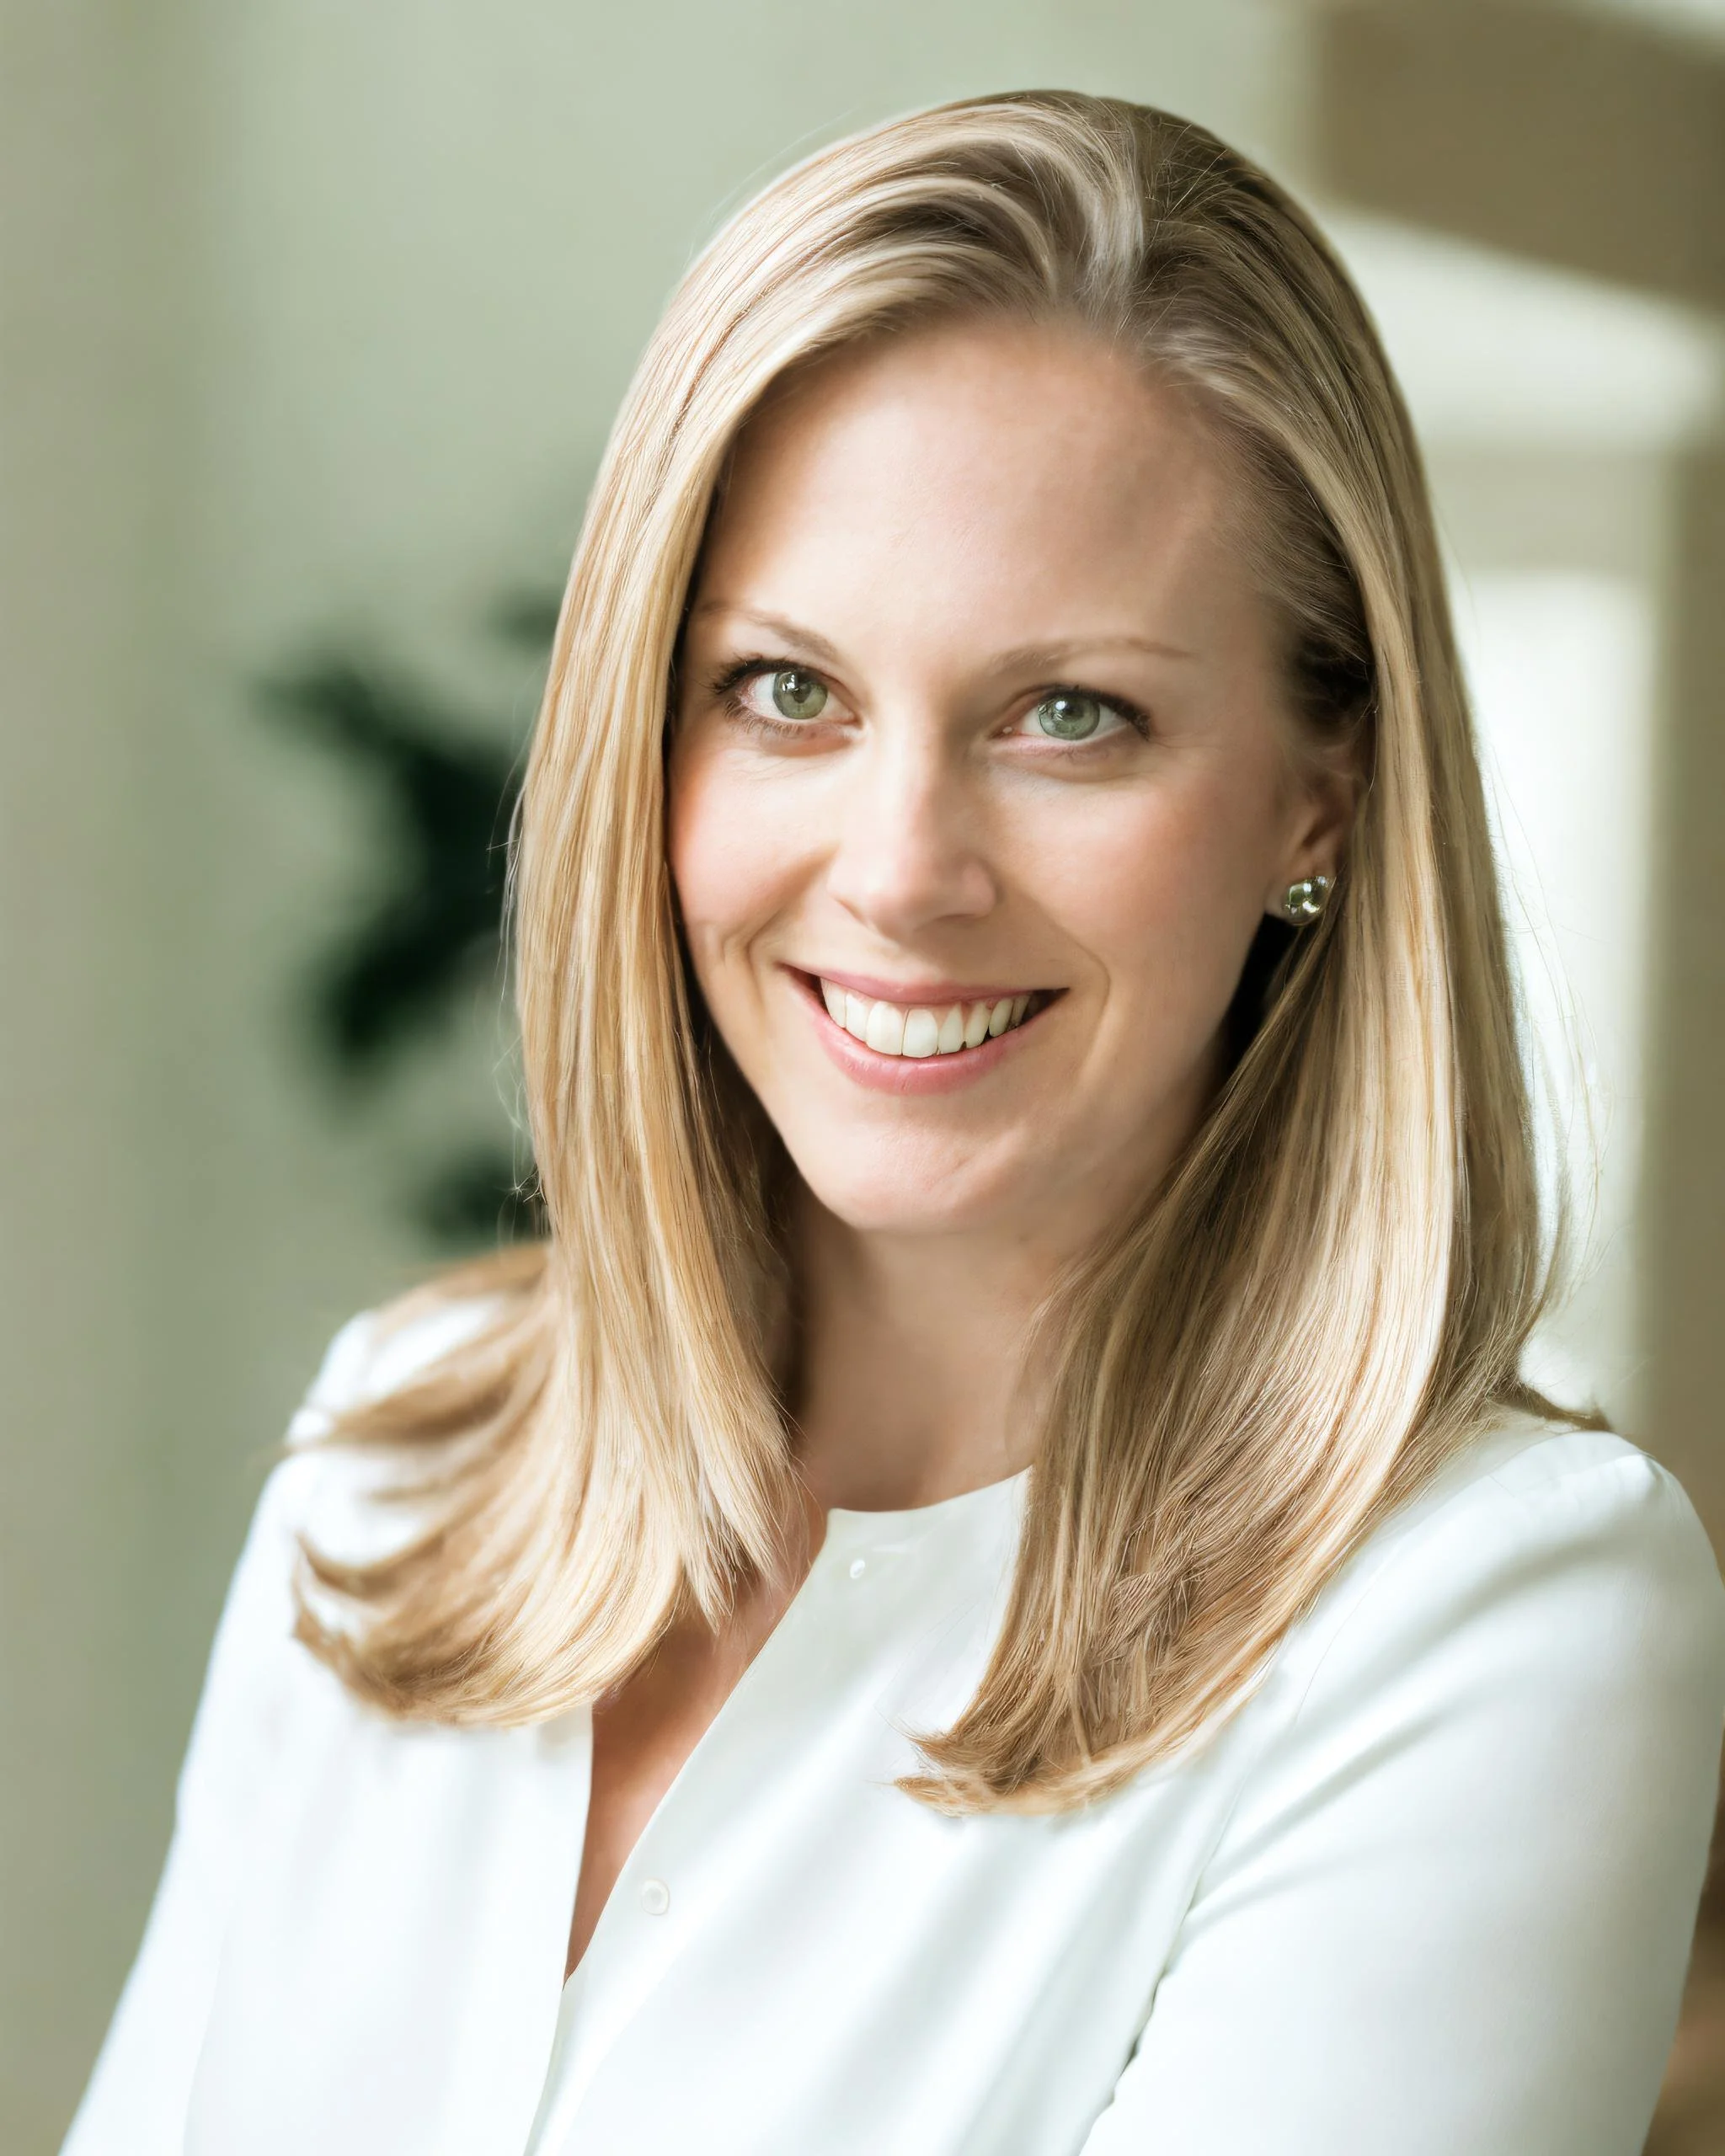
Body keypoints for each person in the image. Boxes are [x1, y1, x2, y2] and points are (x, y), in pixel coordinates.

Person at [65, 90, 1725, 2156]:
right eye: (785, 691)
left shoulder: (1496, 1613)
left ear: (1321, 791)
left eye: (1070, 716)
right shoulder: (388, 1460)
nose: (900, 867)